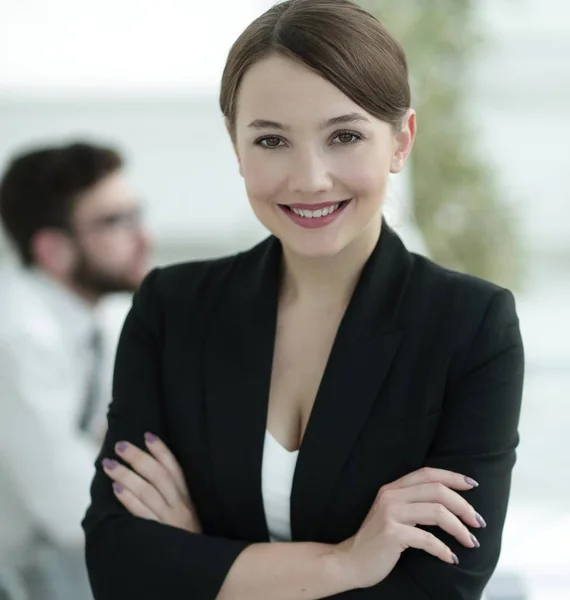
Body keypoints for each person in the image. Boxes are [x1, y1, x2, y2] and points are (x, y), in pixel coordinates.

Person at [82, 1, 524, 598]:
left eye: (344, 135)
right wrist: (343, 564)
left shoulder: (469, 327)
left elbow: (438, 590)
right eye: (271, 140)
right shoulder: (172, 307)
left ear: (401, 140)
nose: (310, 178)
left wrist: (201, 558)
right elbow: (116, 561)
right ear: (237, 149)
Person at [0, 141, 151, 599]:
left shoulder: (104, 317)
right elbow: (70, 508)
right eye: (114, 223)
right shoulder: (18, 337)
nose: (143, 238)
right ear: (52, 250)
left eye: (136, 214)